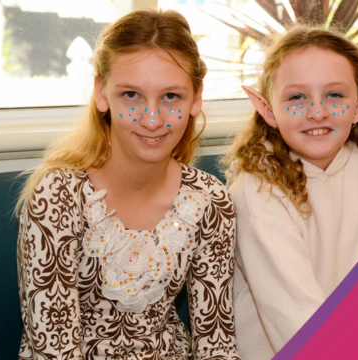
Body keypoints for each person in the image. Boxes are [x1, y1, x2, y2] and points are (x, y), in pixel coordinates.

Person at [16, 9, 241, 360]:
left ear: (196, 98)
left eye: (171, 97)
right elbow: (54, 350)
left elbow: (217, 343)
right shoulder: (57, 196)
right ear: (101, 93)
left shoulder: (210, 200)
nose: (152, 119)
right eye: (131, 95)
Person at [225, 25, 358, 359]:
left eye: (335, 95)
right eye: (296, 97)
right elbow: (295, 320)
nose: (317, 111)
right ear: (267, 110)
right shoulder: (257, 189)